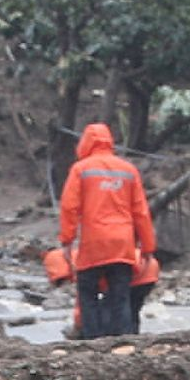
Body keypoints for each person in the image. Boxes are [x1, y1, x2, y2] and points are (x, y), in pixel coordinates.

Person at [57, 121, 155, 339]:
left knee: (88, 294)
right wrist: (147, 247)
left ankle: (92, 343)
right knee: (121, 296)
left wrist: (66, 240)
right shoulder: (129, 170)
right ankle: (125, 342)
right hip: (122, 245)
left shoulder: (81, 170)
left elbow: (69, 207)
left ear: (86, 143)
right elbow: (141, 211)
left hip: (93, 244)